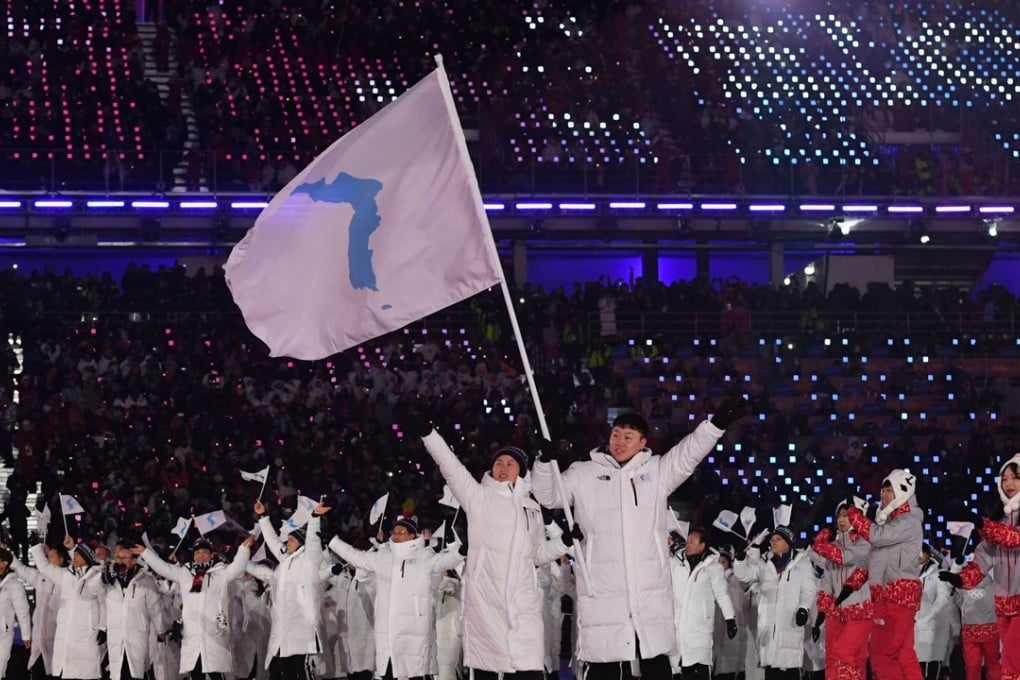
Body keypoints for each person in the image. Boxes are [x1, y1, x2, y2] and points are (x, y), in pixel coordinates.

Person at [531, 399, 747, 680]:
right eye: (616, 434)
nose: (619, 441)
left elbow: (688, 454)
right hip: (602, 590)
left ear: (643, 442)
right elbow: (549, 495)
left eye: (628, 437)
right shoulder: (583, 473)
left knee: (654, 660)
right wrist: (544, 462)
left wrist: (715, 426)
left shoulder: (657, 471)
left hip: (648, 590)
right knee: (605, 664)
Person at [400, 412, 571, 680]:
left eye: (510, 463)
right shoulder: (478, 497)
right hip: (486, 605)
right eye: (498, 463)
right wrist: (428, 434)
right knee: (487, 671)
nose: (502, 467)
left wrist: (563, 543)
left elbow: (536, 556)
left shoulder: (532, 509)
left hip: (523, 607)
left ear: (521, 471)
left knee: (527, 671)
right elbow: (450, 466)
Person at [327, 515, 463, 680]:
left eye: (401, 532)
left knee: (414, 674)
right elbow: (356, 556)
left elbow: (448, 560)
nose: (396, 535)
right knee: (389, 674)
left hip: (414, 632)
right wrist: (333, 541)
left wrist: (457, 547)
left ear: (412, 535)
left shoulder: (424, 557)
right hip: (387, 632)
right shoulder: (383, 556)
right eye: (394, 532)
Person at [940, 452, 1020, 680]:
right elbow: (983, 556)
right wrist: (960, 580)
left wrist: (980, 522)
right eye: (1004, 479)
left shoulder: (999, 526)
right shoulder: (1000, 519)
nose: (1009, 483)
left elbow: (1013, 537)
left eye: (1015, 477)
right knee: (1009, 664)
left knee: (1012, 663)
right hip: (1003, 605)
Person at [134, 535, 254, 680]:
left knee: (216, 673)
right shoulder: (185, 573)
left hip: (214, 633)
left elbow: (237, 567)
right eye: (197, 553)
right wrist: (145, 553)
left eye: (204, 552)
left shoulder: (220, 573)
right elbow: (163, 568)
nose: (200, 556)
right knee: (196, 673)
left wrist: (244, 549)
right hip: (192, 634)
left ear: (211, 555)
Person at [845, 469, 924, 680]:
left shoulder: (908, 521)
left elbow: (876, 537)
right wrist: (852, 584)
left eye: (889, 490)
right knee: (904, 654)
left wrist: (854, 513)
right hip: (888, 595)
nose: (883, 494)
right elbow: (872, 559)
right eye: (882, 490)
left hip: (896, 595)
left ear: (902, 492)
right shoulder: (890, 523)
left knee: (882, 653)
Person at [247, 499, 330, 680]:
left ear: (301, 544)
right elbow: (272, 540)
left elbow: (313, 542)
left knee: (304, 674)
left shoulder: (309, 560)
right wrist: (262, 517)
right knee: (288, 674)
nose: (287, 543)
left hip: (303, 630)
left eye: (291, 540)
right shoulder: (285, 560)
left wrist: (314, 518)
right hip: (284, 631)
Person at [733, 526, 817, 680]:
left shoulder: (802, 563)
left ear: (788, 542)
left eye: (778, 539)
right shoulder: (763, 563)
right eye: (772, 539)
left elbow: (809, 590)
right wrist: (739, 559)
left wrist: (803, 608)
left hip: (789, 624)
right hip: (768, 629)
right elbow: (744, 575)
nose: (773, 542)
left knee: (790, 670)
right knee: (771, 672)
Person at [808, 498, 871, 680]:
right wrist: (821, 612)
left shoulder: (866, 543)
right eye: (839, 516)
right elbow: (827, 582)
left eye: (846, 516)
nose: (841, 520)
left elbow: (844, 557)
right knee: (833, 658)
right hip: (836, 612)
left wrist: (820, 545)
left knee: (845, 654)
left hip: (859, 609)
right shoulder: (833, 546)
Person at [30, 535, 107, 680]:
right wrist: (37, 549)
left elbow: (104, 603)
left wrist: (103, 627)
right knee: (66, 671)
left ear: (86, 557)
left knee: (85, 673)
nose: (75, 557)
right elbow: (44, 567)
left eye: (79, 555)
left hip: (86, 633)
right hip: (65, 633)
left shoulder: (97, 577)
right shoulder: (66, 575)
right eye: (74, 554)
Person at [668, 528, 737, 680]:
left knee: (700, 668)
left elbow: (722, 594)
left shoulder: (713, 568)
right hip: (679, 626)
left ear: (702, 546)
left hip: (700, 628)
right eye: (687, 541)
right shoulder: (676, 564)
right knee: (680, 669)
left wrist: (730, 618)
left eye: (692, 542)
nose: (688, 545)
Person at [101, 541, 163, 680]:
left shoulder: (146, 580)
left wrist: (160, 630)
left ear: (134, 560)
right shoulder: (108, 580)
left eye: (124, 558)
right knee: (117, 674)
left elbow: (155, 608)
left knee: (135, 673)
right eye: (118, 558)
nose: (120, 561)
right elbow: (98, 597)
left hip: (136, 635)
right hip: (116, 636)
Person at [8, 542, 62, 679]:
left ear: (62, 560)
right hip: (39, 640)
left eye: (52, 557)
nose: (48, 560)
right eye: (47, 557)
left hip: (58, 640)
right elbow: (20, 569)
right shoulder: (41, 578)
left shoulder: (67, 579)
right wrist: (5, 552)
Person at [944, 558, 1000, 680]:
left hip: (980, 629)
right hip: (980, 630)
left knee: (977, 666)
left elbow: (954, 605)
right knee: (987, 665)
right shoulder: (962, 585)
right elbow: (955, 604)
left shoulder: (988, 582)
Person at [914, 544, 952, 680]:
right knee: (913, 666)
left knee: (930, 665)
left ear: (928, 554)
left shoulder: (937, 574)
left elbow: (943, 597)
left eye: (921, 552)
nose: (918, 555)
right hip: (911, 626)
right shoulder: (907, 572)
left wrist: (931, 615)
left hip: (930, 626)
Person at [711, 548, 748, 680]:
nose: (720, 564)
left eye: (723, 561)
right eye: (718, 562)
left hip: (732, 625)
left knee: (729, 665)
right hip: (715, 626)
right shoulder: (712, 579)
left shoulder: (735, 580)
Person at [0, 546, 31, 677]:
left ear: (4, 563)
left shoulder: (14, 586)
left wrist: (26, 635)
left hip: (3, 635)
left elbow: (22, 612)